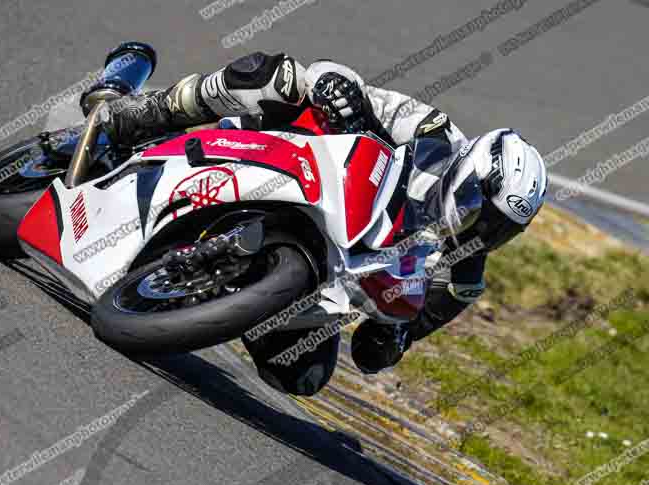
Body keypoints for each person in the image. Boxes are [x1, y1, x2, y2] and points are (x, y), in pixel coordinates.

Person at [82, 51, 547, 393]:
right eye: (477, 211)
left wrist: (394, 335)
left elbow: (385, 345)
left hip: (321, 271)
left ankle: (215, 287)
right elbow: (334, 73)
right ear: (467, 171)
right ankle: (147, 114)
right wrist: (339, 95)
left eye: (496, 230)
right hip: (289, 159)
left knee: (302, 375)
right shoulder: (432, 132)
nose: (478, 230)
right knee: (281, 77)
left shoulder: (464, 271)